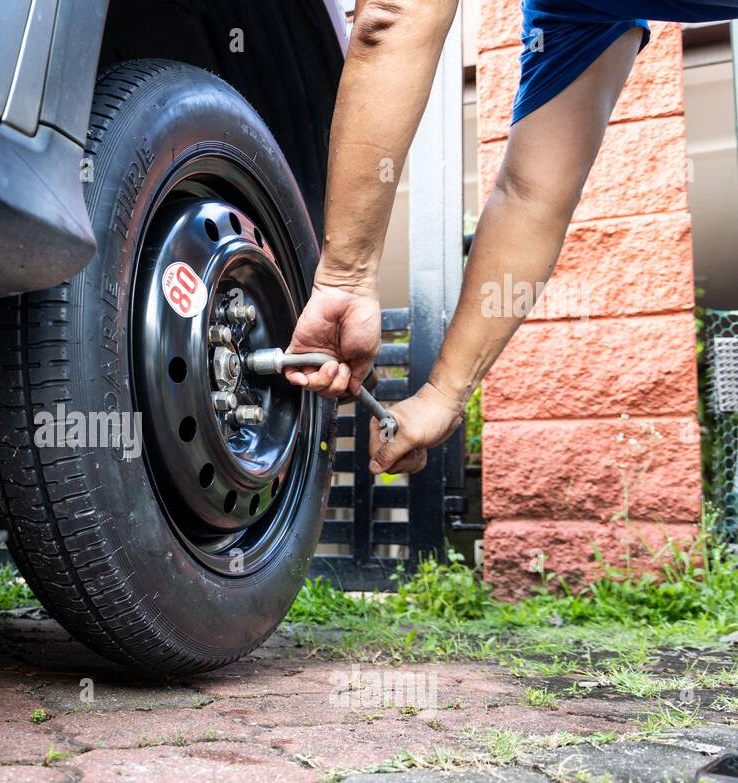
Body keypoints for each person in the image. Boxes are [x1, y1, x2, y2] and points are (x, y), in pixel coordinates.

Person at [288, 0, 737, 474]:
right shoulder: (570, 9)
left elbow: (393, 15)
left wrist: (343, 279)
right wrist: (442, 395)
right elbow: (531, 196)